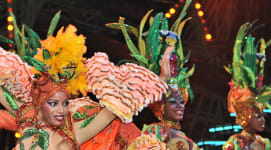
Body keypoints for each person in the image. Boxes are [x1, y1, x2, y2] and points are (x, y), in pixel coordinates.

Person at [0, 11, 167, 150]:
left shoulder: (67, 140)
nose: (60, 110)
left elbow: (112, 110)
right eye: (53, 103)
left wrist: (161, 78)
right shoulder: (28, 120)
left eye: (64, 104)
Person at [106, 0, 198, 149]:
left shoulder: (184, 137)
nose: (180, 106)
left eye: (181, 101)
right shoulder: (153, 132)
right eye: (173, 102)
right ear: (160, 106)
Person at [222, 21, 271, 150]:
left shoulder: (263, 142)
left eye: (262, 115)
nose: (263, 119)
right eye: (258, 116)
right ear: (245, 116)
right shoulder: (236, 142)